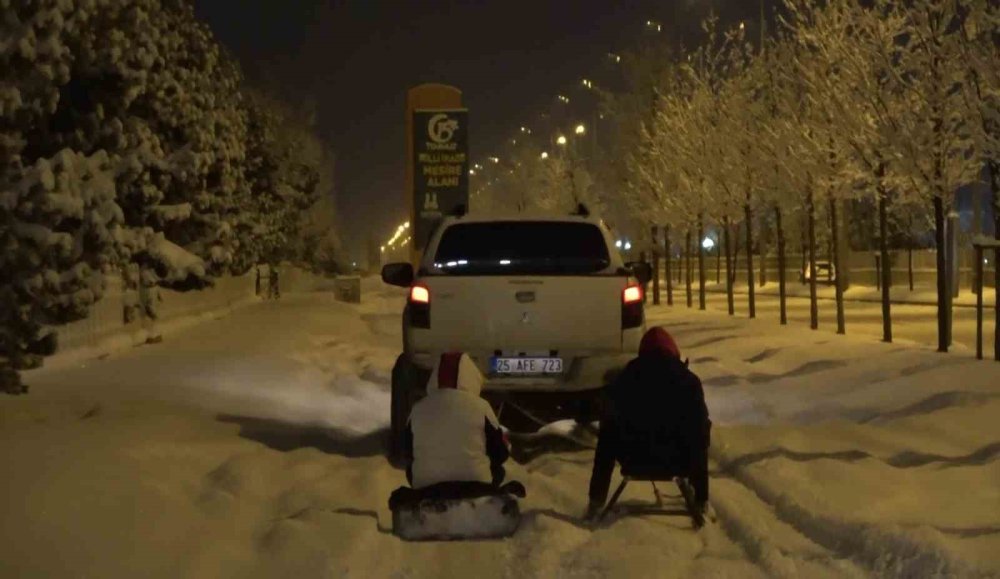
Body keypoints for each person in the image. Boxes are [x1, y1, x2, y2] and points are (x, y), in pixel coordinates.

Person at [585, 327, 711, 520]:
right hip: (678, 460)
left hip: (633, 459)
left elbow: (607, 440)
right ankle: (699, 499)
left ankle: (597, 502)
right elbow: (699, 434)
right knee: (700, 426)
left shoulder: (623, 381)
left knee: (608, 431)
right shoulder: (689, 382)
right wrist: (702, 495)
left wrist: (596, 497)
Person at [390, 352, 524, 509]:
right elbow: (500, 453)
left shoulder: (417, 409)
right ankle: (487, 505)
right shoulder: (481, 407)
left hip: (426, 490)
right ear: (471, 378)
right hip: (477, 488)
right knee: (497, 469)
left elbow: (408, 452)